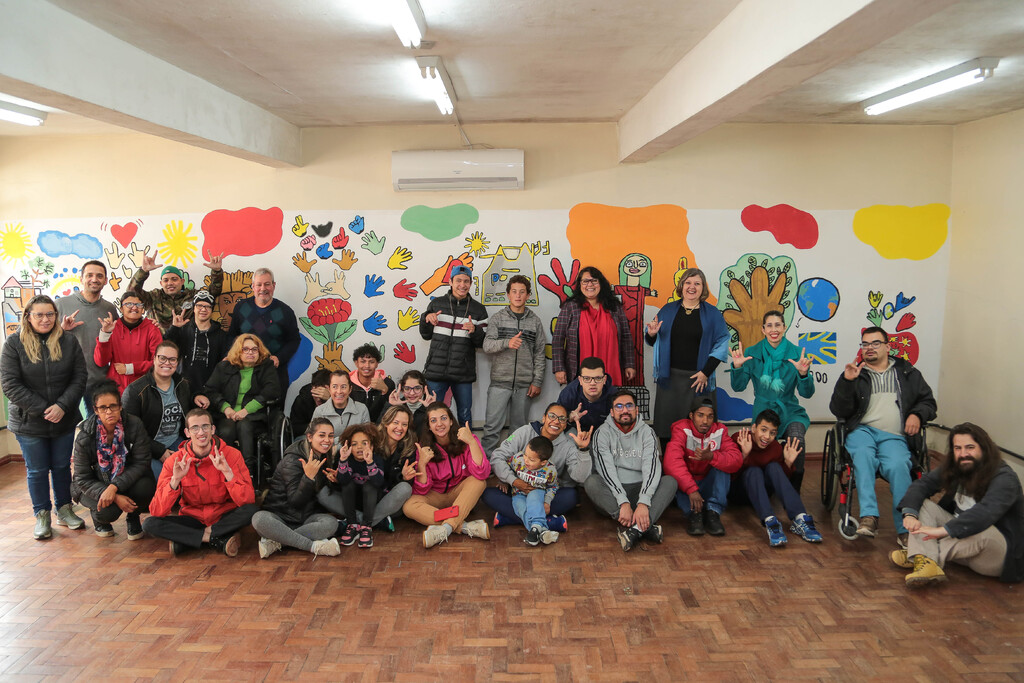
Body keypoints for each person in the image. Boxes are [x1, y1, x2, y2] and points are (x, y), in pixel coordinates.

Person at [829, 326, 937, 547]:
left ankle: (905, 528)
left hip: (894, 435)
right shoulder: (856, 372)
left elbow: (928, 403)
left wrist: (917, 414)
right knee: (863, 455)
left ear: (887, 347)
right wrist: (847, 382)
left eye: (875, 343)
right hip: (861, 431)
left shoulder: (908, 373)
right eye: (865, 344)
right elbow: (838, 410)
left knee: (899, 465)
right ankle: (869, 517)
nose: (869, 348)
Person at [892, 423, 1023, 587]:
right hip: (963, 542)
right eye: (958, 448)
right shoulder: (956, 467)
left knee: (982, 530)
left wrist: (943, 530)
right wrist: (910, 514)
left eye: (970, 447)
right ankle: (924, 558)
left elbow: (985, 513)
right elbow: (923, 485)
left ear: (984, 449)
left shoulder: (1005, 478)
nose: (963, 454)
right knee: (924, 505)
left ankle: (919, 555)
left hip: (995, 554)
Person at [1, 294, 87, 539]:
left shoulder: (68, 341)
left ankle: (64, 509)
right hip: (29, 421)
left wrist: (61, 406)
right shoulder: (13, 344)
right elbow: (10, 384)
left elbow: (79, 377)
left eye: (50, 314)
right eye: (39, 314)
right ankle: (42, 515)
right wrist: (44, 409)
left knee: (61, 466)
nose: (45, 319)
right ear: (28, 317)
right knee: (37, 470)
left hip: (64, 418)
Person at [143, 408, 257, 556]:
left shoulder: (232, 455)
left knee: (252, 510)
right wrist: (175, 480)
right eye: (195, 428)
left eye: (205, 427)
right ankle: (213, 538)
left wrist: (228, 473)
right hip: (193, 518)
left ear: (213, 429)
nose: (201, 432)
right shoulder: (174, 461)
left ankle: (188, 539)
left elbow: (247, 500)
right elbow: (157, 511)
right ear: (187, 432)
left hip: (223, 516)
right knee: (149, 523)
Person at [729, 310, 814, 491]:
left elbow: (807, 394)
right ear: (763, 329)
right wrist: (737, 367)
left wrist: (803, 374)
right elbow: (738, 387)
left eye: (777, 325)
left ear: (784, 327)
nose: (773, 330)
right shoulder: (752, 353)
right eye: (769, 325)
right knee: (761, 449)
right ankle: (766, 486)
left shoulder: (797, 353)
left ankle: (794, 489)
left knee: (797, 439)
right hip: (763, 412)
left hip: (789, 410)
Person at [584, 389, 678, 552]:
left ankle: (635, 530)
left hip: (641, 490)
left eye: (629, 405)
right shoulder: (602, 433)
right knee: (592, 482)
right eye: (619, 406)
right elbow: (606, 471)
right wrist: (623, 502)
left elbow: (652, 467)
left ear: (636, 409)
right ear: (612, 412)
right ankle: (644, 524)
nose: (625, 410)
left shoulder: (647, 432)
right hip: (613, 497)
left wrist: (644, 501)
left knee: (670, 482)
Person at [645, 267, 730, 443]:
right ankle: (669, 459)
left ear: (703, 287)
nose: (692, 287)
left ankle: (698, 460)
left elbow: (722, 344)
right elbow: (653, 340)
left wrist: (706, 372)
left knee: (700, 428)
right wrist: (651, 334)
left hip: (699, 379)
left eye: (697, 283)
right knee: (667, 427)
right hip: (670, 380)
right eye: (688, 282)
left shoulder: (713, 314)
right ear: (681, 286)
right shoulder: (667, 310)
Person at [484, 402, 592, 533]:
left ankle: (511, 518)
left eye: (562, 419)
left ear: (565, 425)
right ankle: (547, 522)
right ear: (543, 418)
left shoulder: (568, 445)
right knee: (488, 494)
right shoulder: (525, 432)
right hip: (517, 490)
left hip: (545, 495)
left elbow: (580, 477)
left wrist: (583, 450)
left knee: (571, 496)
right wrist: (512, 480)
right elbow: (497, 457)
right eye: (552, 416)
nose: (556, 421)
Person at [70, 381, 156, 540]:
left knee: (145, 487)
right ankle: (99, 521)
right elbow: (82, 478)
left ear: (120, 406)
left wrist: (114, 487)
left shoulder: (134, 425)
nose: (109, 411)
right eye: (103, 408)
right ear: (96, 410)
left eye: (113, 406)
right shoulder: (85, 435)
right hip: (94, 484)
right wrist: (113, 495)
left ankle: (133, 517)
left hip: (124, 480)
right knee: (106, 512)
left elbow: (142, 462)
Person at [402, 402, 491, 548]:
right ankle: (463, 526)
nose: (439, 424)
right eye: (433, 420)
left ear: (451, 421)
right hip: (436, 496)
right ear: (429, 426)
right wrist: (422, 463)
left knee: (479, 482)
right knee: (409, 506)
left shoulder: (467, 439)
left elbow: (481, 472)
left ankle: (446, 528)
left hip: (459, 494)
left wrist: (471, 442)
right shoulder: (423, 447)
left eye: (443, 418)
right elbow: (422, 489)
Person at [252, 417, 341, 559]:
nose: (327, 440)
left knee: (331, 523)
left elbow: (320, 495)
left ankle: (278, 542)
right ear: (310, 437)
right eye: (322, 435)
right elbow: (295, 502)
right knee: (259, 519)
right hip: (280, 518)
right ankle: (313, 547)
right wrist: (308, 478)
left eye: (331, 436)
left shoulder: (324, 457)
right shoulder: (292, 460)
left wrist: (336, 481)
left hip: (305, 520)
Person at [732, 410, 822, 547]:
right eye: (763, 430)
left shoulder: (775, 448)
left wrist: (788, 463)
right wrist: (744, 455)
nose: (767, 437)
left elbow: (780, 482)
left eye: (772, 433)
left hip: (763, 493)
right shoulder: (740, 438)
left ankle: (800, 518)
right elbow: (729, 475)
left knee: (774, 467)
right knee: (754, 471)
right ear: (754, 428)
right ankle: (770, 522)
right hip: (739, 492)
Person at [481, 275, 548, 453]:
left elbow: (540, 353)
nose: (518, 295)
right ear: (508, 295)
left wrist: (537, 381)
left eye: (522, 292)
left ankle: (513, 461)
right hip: (499, 383)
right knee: (492, 428)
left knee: (518, 429)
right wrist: (507, 342)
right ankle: (485, 464)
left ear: (528, 295)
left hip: (524, 385)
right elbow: (487, 346)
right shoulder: (497, 318)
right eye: (514, 292)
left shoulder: (535, 321)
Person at [123, 341, 207, 479]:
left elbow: (189, 402)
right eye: (162, 358)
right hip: (148, 447)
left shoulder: (182, 384)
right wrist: (159, 451)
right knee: (165, 481)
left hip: (177, 441)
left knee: (196, 476)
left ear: (177, 362)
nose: (167, 363)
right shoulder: (135, 391)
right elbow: (130, 431)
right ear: (154, 359)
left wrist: (196, 397)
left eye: (172, 359)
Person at [203, 334, 282, 476]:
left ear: (260, 351)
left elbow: (272, 391)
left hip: (255, 416)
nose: (250, 352)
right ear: (238, 351)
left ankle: (247, 472)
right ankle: (223, 471)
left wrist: (247, 410)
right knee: (227, 430)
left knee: (244, 426)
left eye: (254, 349)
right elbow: (210, 391)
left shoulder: (266, 366)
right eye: (245, 349)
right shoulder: (224, 367)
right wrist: (225, 408)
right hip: (228, 415)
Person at [419, 264, 487, 425]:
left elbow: (483, 343)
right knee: (432, 413)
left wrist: (474, 331)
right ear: (450, 282)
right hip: (436, 371)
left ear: (470, 283)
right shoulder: (436, 304)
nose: (462, 285)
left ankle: (467, 442)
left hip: (463, 373)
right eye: (458, 281)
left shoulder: (479, 309)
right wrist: (426, 319)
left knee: (464, 413)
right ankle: (430, 442)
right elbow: (426, 335)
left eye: (466, 281)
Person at [663, 398, 742, 537]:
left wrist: (712, 457)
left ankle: (713, 512)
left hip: (707, 483)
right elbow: (671, 462)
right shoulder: (681, 429)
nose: (705, 421)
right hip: (687, 487)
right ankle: (695, 515)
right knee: (673, 477)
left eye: (710, 416)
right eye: (700, 415)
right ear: (691, 415)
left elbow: (736, 459)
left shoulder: (720, 430)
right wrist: (691, 489)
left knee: (723, 465)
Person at [552, 266, 635, 387]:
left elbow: (626, 338)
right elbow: (558, 339)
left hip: (611, 371)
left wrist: (629, 364)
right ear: (580, 285)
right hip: (579, 373)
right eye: (585, 281)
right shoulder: (570, 307)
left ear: (601, 284)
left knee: (610, 398)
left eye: (594, 281)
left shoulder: (614, 307)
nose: (590, 284)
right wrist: (559, 368)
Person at [56, 259, 119, 414]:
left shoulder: (109, 309)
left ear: (105, 281)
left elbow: (117, 341)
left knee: (97, 424)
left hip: (99, 381)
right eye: (89, 275)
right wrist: (61, 330)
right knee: (65, 423)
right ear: (81, 279)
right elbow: (43, 340)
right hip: (68, 380)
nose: (94, 279)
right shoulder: (60, 305)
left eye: (99, 276)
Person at [227, 267, 300, 392]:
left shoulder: (285, 311)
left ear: (273, 286)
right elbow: (232, 336)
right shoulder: (241, 307)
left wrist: (279, 358)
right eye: (259, 284)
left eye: (267, 284)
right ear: (253, 286)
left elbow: (294, 340)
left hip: (273, 374)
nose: (263, 288)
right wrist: (231, 356)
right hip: (243, 372)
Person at [127, 251, 224, 333]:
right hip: (159, 345)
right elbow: (130, 295)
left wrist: (216, 271)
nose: (170, 283)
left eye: (174, 279)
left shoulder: (192, 295)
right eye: (166, 280)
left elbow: (213, 292)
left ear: (182, 281)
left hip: (187, 344)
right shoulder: (153, 296)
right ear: (161, 283)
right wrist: (143, 271)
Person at [326, 424, 386, 549]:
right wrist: (343, 460)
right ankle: (352, 524)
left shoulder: (376, 459)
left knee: (370, 485)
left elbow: (378, 482)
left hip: (371, 500)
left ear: (372, 446)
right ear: (348, 447)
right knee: (348, 484)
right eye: (354, 444)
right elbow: (343, 481)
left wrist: (369, 462)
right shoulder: (346, 459)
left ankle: (366, 526)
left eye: (364, 443)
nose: (359, 447)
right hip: (353, 501)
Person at [164, 290, 232, 394]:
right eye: (199, 305)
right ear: (194, 308)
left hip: (210, 390)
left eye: (208, 306)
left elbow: (224, 363)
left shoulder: (221, 335)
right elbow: (164, 349)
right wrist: (174, 328)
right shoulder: (183, 330)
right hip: (182, 388)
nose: (203, 309)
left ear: (212, 310)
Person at [93, 292, 162, 393]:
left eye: (138, 305)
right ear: (121, 309)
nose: (134, 308)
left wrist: (130, 368)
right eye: (129, 304)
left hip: (144, 388)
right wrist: (105, 334)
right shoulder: (112, 327)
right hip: (116, 389)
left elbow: (159, 362)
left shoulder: (152, 328)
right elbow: (101, 361)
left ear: (143, 309)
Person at [505, 436, 561, 546]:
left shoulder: (550, 470)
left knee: (534, 498)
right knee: (520, 508)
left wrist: (547, 502)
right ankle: (542, 530)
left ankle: (535, 530)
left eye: (531, 460)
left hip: (537, 492)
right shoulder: (518, 459)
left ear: (543, 462)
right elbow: (506, 468)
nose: (526, 460)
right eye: (525, 454)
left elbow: (553, 486)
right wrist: (504, 480)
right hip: (518, 493)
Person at [556, 356, 616, 434]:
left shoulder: (614, 396)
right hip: (575, 431)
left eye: (598, 378)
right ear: (580, 380)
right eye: (587, 378)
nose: (592, 383)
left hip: (604, 433)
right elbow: (555, 419)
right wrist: (569, 417)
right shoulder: (569, 394)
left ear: (604, 379)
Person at [311, 370, 370, 443]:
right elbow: (316, 440)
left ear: (350, 389)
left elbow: (366, 438)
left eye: (343, 387)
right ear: (329, 389)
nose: (339, 391)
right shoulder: (320, 411)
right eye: (334, 387)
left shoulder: (362, 409)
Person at [349, 343, 395, 422]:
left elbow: (393, 411)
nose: (367, 366)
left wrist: (385, 391)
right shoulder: (348, 382)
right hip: (354, 427)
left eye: (371, 362)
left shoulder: (388, 383)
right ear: (356, 363)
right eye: (363, 361)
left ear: (377, 364)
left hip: (380, 427)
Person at [388, 369, 435, 435]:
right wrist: (392, 406)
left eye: (417, 388)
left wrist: (431, 408)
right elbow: (381, 429)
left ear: (424, 389)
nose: (412, 393)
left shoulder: (430, 407)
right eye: (407, 388)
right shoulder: (396, 405)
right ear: (402, 390)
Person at [289, 368, 332, 437]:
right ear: (312, 389)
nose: (318, 399)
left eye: (322, 396)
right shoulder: (303, 399)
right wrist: (315, 428)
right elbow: (294, 428)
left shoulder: (338, 398)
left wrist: (331, 400)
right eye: (316, 394)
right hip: (307, 435)